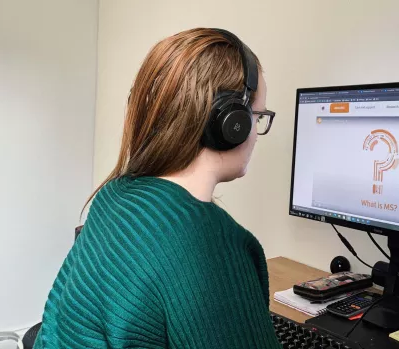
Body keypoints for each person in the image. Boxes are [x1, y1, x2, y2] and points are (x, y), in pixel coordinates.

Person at [34, 28, 279, 348]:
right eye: (257, 116)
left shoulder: (114, 195)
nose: (256, 133)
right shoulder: (213, 244)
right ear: (232, 123)